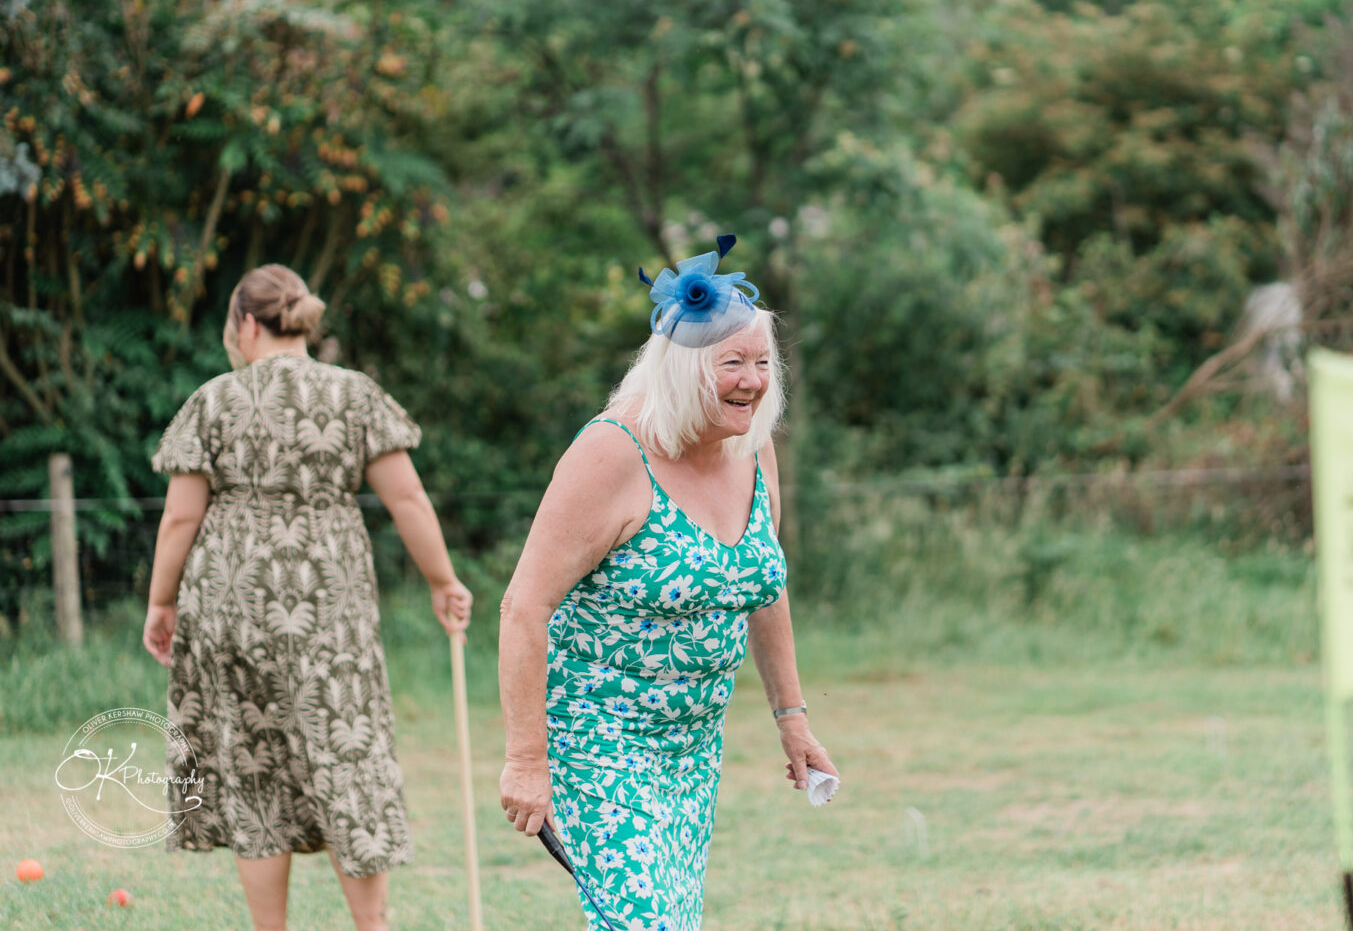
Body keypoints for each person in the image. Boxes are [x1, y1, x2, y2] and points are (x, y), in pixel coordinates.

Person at [498, 236, 838, 931]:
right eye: (733, 363)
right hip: (597, 740)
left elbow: (763, 588)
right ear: (682, 372)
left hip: (691, 746)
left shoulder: (752, 449)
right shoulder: (611, 454)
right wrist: (527, 761)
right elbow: (523, 607)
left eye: (764, 362)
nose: (754, 380)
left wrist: (792, 718)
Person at [142, 264, 473, 931]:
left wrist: (161, 601)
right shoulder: (355, 396)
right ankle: (371, 925)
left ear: (245, 323)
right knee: (346, 751)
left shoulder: (214, 400)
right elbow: (405, 496)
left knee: (252, 761)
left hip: (230, 602)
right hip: (329, 603)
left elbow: (180, 518)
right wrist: (443, 579)